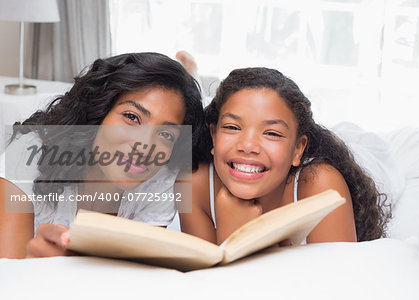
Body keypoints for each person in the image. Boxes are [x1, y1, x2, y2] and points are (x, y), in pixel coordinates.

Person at [0, 52, 205, 258]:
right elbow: (11, 275)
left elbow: (133, 275)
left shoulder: (161, 179)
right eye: (132, 117)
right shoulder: (28, 153)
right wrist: (34, 262)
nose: (145, 147)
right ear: (99, 112)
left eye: (165, 134)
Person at [178, 67, 391, 245]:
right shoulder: (190, 183)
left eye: (272, 133)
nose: (248, 145)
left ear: (298, 149)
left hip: (370, 160)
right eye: (232, 127)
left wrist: (241, 237)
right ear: (214, 136)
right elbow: (205, 284)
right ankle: (193, 73)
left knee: (369, 146)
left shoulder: (322, 183)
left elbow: (335, 285)